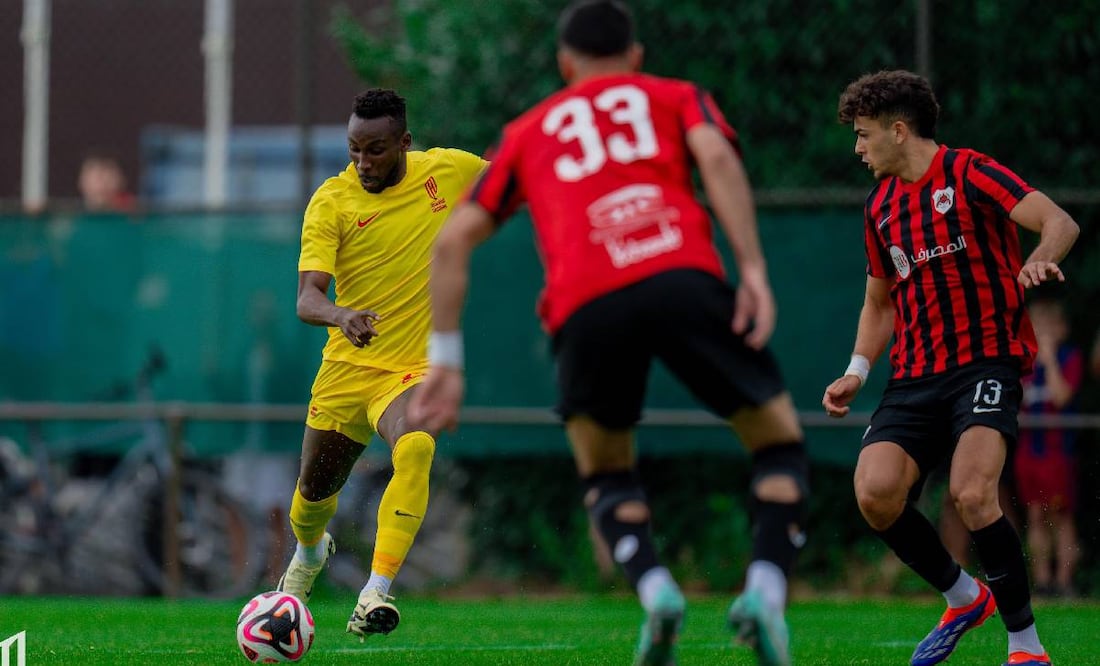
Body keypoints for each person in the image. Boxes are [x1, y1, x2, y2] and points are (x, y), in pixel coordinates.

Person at [411, 2, 810, 664]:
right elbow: (715, 155)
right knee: (778, 446)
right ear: (636, 57)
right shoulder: (674, 96)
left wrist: (446, 363)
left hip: (586, 303)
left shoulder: (527, 130)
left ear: (565, 65)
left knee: (606, 472)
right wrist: (754, 271)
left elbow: (451, 242)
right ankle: (765, 594)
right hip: (680, 272)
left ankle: (656, 593)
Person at [823, 69, 1080, 666]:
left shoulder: (969, 172)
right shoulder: (880, 206)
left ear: (898, 130)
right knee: (875, 493)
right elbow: (879, 303)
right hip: (915, 376)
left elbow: (1059, 222)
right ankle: (964, 598)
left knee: (971, 492)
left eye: (863, 134)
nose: (858, 149)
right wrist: (857, 370)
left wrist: (1040, 259)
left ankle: (1026, 648)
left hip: (986, 363)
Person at [276, 88, 487, 641]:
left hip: (410, 369)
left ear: (404, 143)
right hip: (348, 370)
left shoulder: (447, 171)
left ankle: (375, 592)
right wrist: (341, 314)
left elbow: (515, 177)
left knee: (416, 446)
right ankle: (309, 552)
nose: (362, 162)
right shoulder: (332, 201)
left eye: (375, 150)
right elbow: (306, 299)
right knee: (311, 500)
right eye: (354, 149)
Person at [1015, 293, 1084, 598]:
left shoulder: (1069, 358)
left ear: (1061, 329)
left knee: (1060, 515)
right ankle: (1042, 582)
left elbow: (1061, 397)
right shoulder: (1024, 364)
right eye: (1037, 326)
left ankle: (1065, 581)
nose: (1042, 333)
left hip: (1058, 453)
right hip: (1028, 452)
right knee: (1034, 515)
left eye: (1048, 326)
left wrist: (1050, 360)